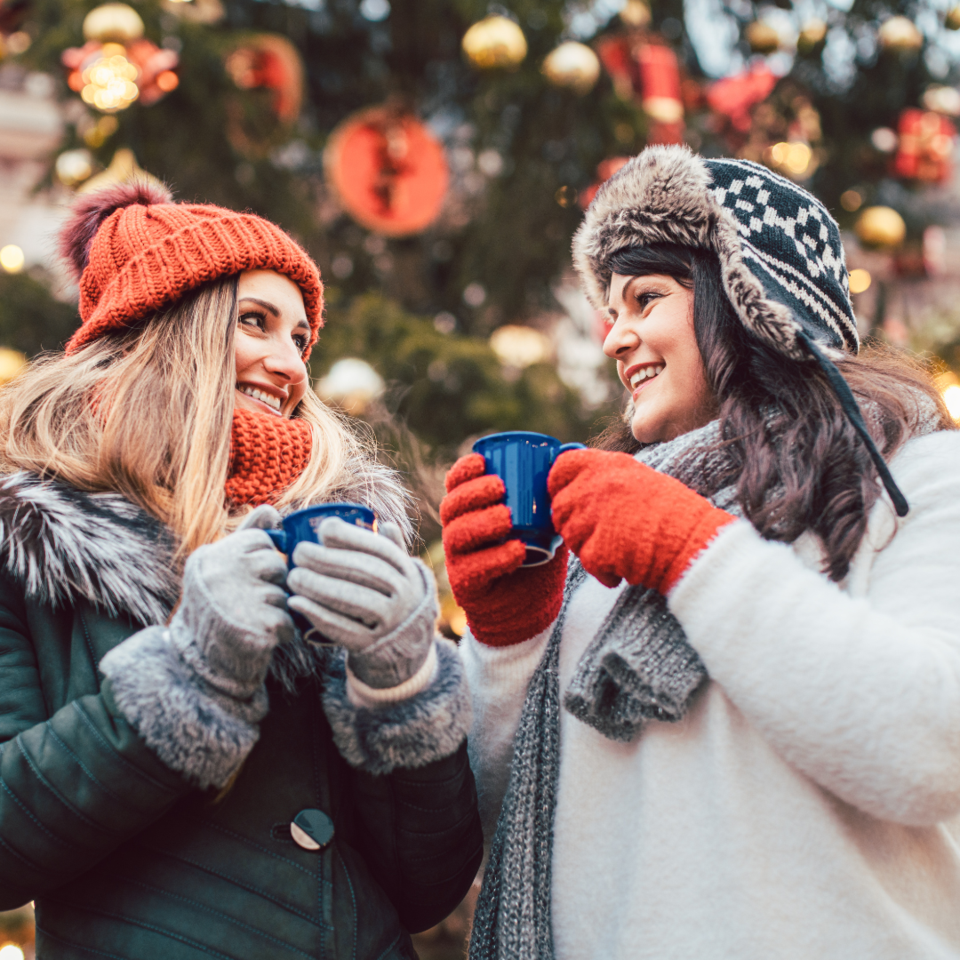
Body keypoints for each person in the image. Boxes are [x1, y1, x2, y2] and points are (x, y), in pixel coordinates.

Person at [441, 145, 960, 960]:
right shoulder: (599, 547)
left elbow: (933, 746)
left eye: (645, 298)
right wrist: (507, 641)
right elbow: (502, 826)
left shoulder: (917, 478)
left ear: (752, 300)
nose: (616, 338)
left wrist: (693, 551)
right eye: (608, 312)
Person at [0, 181, 481, 960]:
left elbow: (429, 888)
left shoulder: (342, 539)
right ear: (163, 331)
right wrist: (187, 677)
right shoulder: (32, 539)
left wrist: (402, 683)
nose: (288, 363)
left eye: (300, 338)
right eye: (254, 322)